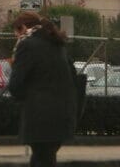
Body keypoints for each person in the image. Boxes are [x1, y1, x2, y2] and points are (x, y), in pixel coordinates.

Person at [6, 11, 78, 167]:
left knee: (41, 158)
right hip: (63, 114)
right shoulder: (57, 44)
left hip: (39, 116)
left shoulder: (27, 45)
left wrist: (24, 97)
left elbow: (16, 84)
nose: (16, 37)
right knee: (46, 158)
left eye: (16, 32)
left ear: (23, 27)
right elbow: (72, 74)